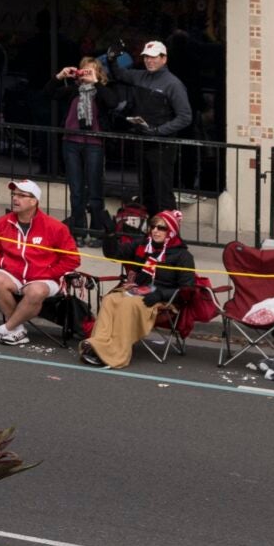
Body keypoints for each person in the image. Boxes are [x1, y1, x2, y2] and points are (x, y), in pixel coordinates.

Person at [84, 209, 194, 368]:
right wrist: (109, 236)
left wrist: (161, 294)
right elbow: (114, 254)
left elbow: (187, 290)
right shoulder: (143, 244)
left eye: (161, 228)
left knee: (127, 304)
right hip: (139, 290)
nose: (155, 230)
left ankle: (114, 355)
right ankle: (98, 346)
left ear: (171, 231)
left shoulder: (183, 256)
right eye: (153, 226)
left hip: (162, 299)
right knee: (110, 299)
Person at [0, 178, 80, 346]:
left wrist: (48, 272)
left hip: (44, 277)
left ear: (34, 201)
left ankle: (5, 329)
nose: (15, 199)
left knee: (36, 291)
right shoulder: (3, 222)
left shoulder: (55, 227)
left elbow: (72, 259)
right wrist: (3, 263)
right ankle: (17, 331)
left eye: (21, 195)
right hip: (13, 274)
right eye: (14, 194)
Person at [111, 38, 192, 216]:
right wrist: (111, 58)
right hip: (144, 140)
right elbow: (119, 75)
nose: (149, 60)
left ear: (164, 59)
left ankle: (170, 234)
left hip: (163, 145)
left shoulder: (173, 84)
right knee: (146, 190)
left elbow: (185, 117)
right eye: (146, 57)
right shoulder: (140, 75)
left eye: (154, 57)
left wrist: (159, 131)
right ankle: (152, 231)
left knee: (162, 192)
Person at [54, 57, 117, 240]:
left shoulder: (102, 91)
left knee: (95, 190)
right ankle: (79, 230)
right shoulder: (73, 90)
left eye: (91, 71)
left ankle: (97, 231)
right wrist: (59, 76)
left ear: (98, 73)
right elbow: (48, 93)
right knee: (76, 190)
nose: (87, 74)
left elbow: (113, 103)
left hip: (94, 144)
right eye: (84, 70)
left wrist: (96, 83)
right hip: (71, 143)